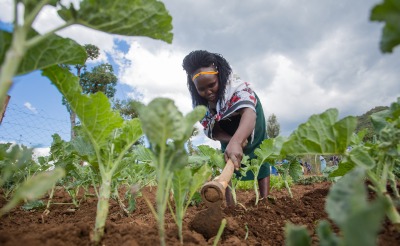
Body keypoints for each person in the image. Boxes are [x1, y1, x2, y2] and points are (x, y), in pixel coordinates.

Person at [182, 50, 270, 207]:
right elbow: (212, 130)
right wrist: (232, 141)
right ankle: (231, 206)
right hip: (224, 128)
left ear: (219, 77)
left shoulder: (236, 88)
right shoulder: (200, 105)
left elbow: (249, 113)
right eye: (201, 89)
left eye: (212, 85)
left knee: (260, 153)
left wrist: (239, 139)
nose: (208, 92)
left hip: (249, 118)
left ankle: (264, 202)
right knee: (228, 155)